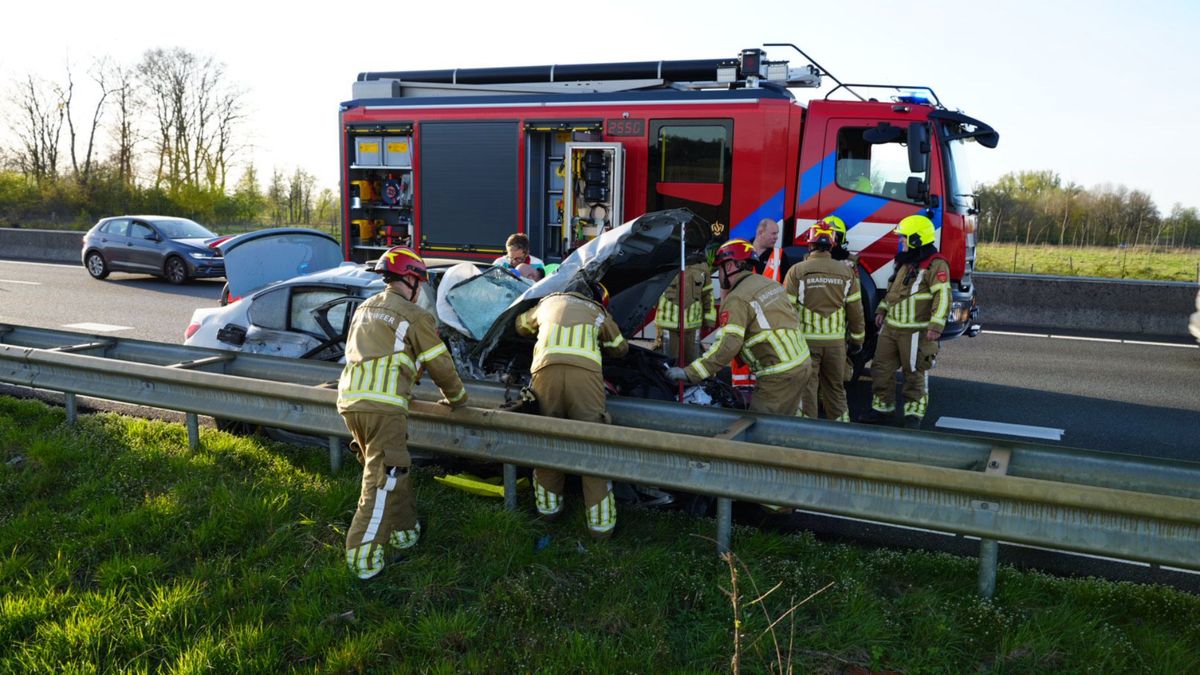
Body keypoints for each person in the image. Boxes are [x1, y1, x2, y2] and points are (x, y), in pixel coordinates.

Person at [338, 246, 468, 580]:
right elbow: (440, 364)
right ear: (410, 279)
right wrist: (458, 398)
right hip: (384, 407)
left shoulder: (365, 307)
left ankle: (405, 532)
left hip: (352, 404)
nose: (421, 289)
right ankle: (362, 560)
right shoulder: (414, 316)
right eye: (420, 282)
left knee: (394, 470)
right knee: (381, 481)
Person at [515, 280, 628, 537]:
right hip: (585, 381)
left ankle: (548, 512)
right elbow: (620, 348)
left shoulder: (546, 303)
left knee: (548, 442)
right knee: (592, 446)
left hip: (545, 375)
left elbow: (519, 325)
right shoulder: (597, 311)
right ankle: (601, 528)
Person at [666, 239, 811, 415]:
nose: (718, 275)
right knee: (784, 421)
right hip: (802, 364)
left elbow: (728, 345)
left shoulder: (737, 298)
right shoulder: (769, 284)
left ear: (730, 267)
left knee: (758, 428)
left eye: (719, 268)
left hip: (778, 375)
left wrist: (689, 373)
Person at [858, 214, 951, 429]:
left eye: (904, 238)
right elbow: (893, 291)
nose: (900, 242)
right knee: (881, 369)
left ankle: (913, 415)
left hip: (915, 331)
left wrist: (936, 325)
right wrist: (882, 309)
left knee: (914, 373)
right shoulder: (904, 263)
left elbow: (943, 296)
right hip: (891, 328)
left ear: (916, 240)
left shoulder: (935, 264)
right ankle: (882, 409)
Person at [783, 216, 865, 421]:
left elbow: (786, 309)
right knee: (835, 389)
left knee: (807, 389)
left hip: (806, 344)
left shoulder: (797, 271)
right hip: (836, 345)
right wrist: (857, 340)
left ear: (809, 244)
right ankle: (841, 433)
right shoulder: (847, 272)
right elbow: (856, 311)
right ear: (832, 244)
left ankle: (807, 434)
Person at [654, 260, 716, 364]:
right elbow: (653, 288)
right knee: (667, 364)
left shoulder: (702, 267)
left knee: (692, 365)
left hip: (693, 326)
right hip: (667, 324)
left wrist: (709, 320)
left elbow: (708, 295)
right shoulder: (665, 261)